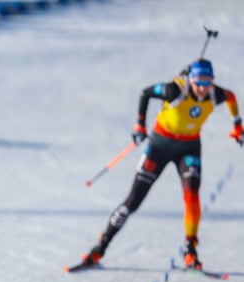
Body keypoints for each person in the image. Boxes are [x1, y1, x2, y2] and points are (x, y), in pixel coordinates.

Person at [78, 59, 242, 269]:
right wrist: (140, 124)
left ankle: (190, 248)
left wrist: (237, 125)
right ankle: (100, 247)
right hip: (160, 146)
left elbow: (231, 97)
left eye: (208, 81)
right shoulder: (174, 90)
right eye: (199, 81)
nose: (203, 87)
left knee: (191, 195)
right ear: (191, 79)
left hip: (189, 147)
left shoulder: (215, 93)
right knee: (133, 201)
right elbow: (145, 93)